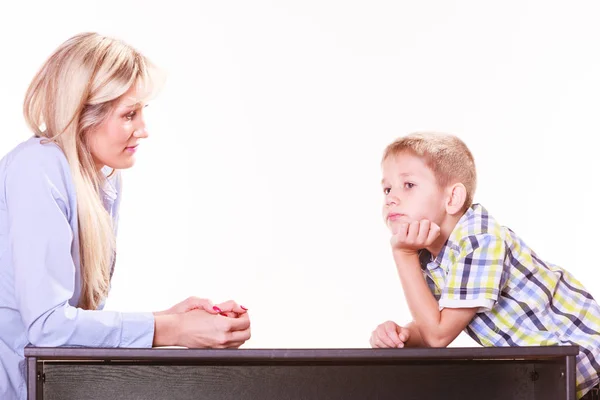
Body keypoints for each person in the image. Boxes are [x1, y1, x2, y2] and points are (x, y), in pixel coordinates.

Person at [0, 32, 251, 400]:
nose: (144, 130)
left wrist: (173, 318)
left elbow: (74, 327)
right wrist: (171, 330)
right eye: (129, 115)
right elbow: (47, 327)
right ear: (82, 115)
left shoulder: (101, 181)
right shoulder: (37, 167)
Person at [369, 132, 600, 399]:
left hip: (590, 376)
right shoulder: (434, 257)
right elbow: (435, 322)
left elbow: (439, 335)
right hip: (553, 380)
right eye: (387, 189)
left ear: (452, 198)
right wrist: (402, 335)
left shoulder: (480, 240)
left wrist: (403, 255)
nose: (391, 199)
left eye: (408, 185)